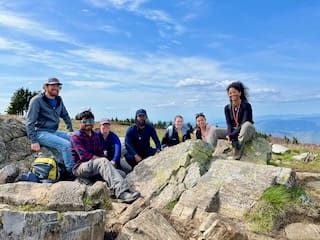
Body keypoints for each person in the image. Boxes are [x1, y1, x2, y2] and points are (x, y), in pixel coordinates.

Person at [70, 110, 140, 204]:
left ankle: (113, 192)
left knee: (121, 174)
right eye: (85, 121)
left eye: (90, 121)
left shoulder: (95, 136)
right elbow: (84, 156)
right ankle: (122, 193)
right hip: (80, 167)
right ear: (80, 123)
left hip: (94, 167)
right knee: (103, 162)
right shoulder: (76, 136)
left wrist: (110, 162)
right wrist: (104, 161)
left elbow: (102, 152)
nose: (88, 124)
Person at [26, 77, 74, 174]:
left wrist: (70, 129)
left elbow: (65, 115)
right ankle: (72, 171)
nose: (56, 87)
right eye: (52, 85)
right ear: (45, 87)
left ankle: (81, 164)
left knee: (75, 139)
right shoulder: (37, 100)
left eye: (57, 86)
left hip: (53, 132)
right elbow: (30, 122)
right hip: (40, 132)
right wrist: (34, 141)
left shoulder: (59, 100)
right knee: (66, 146)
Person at [224, 81, 255, 159]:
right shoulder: (227, 108)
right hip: (235, 131)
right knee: (215, 131)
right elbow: (229, 124)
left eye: (234, 92)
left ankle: (238, 148)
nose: (232, 94)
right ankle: (208, 151)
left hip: (246, 130)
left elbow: (243, 123)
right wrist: (229, 134)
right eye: (230, 93)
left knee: (246, 124)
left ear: (240, 93)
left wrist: (231, 135)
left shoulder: (246, 106)